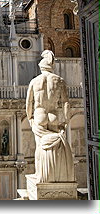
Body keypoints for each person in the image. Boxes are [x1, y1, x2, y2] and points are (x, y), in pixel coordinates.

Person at [26, 50, 74, 183]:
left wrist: (30, 118)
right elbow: (66, 103)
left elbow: (29, 102)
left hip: (40, 115)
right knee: (57, 149)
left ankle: (41, 175)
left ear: (41, 67)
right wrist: (65, 121)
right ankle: (55, 176)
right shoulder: (59, 80)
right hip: (54, 115)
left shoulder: (35, 81)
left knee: (40, 147)